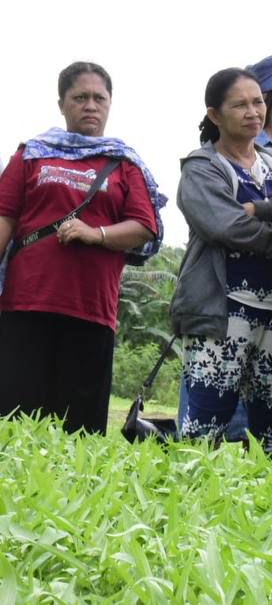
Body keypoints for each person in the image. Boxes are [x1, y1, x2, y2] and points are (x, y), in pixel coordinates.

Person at [0, 61, 164, 434]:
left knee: (80, 427)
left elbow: (144, 226)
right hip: (26, 303)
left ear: (110, 104)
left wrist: (96, 234)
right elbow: (5, 217)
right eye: (80, 97)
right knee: (15, 420)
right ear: (61, 104)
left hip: (91, 309)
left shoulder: (124, 163)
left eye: (99, 98)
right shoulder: (32, 154)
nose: (90, 105)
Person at [171, 68, 272, 451]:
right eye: (239, 104)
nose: (253, 111)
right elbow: (226, 227)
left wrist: (262, 209)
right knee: (201, 434)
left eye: (257, 102)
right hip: (222, 314)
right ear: (214, 115)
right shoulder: (201, 168)